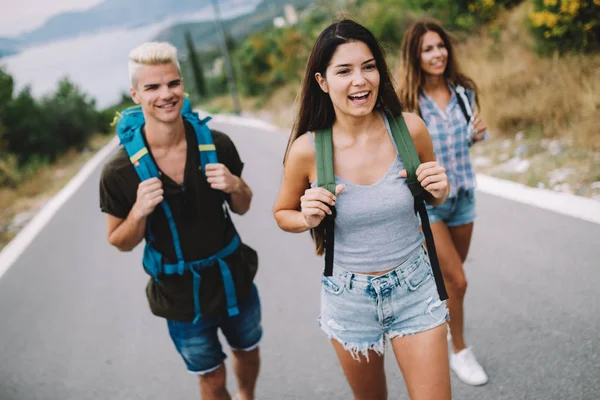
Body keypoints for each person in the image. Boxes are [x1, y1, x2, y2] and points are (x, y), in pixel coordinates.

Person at [273, 20, 451, 400]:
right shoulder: (307, 151)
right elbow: (282, 214)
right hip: (348, 298)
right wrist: (306, 217)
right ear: (322, 82)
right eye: (345, 70)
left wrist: (440, 191)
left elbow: (432, 197)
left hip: (415, 287)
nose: (361, 80)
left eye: (369, 66)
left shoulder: (410, 130)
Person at [99, 42, 261, 400]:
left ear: (182, 85)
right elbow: (119, 241)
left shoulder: (217, 144)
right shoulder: (119, 171)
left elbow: (244, 206)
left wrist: (235, 185)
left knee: (248, 352)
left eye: (172, 83)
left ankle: (247, 397)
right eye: (153, 87)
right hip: (180, 296)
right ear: (135, 94)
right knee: (212, 379)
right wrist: (139, 211)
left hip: (234, 276)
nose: (166, 94)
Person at [398, 20, 489, 386]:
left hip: (463, 195)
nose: (437, 54)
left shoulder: (464, 91)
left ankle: (439, 328)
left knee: (452, 283)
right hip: (429, 204)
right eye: (427, 49)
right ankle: (459, 350)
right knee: (458, 280)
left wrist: (478, 135)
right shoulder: (406, 102)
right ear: (415, 56)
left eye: (440, 46)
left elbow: (467, 138)